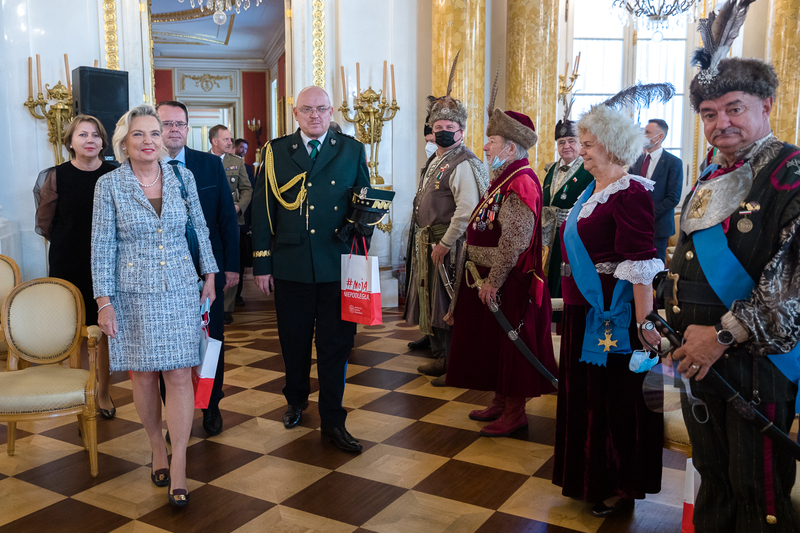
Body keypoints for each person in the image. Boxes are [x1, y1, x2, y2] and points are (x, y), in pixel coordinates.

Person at [665, 4, 800, 529]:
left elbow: (791, 287)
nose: (721, 123)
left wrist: (718, 337)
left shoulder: (790, 173)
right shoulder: (708, 178)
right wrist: (670, 325)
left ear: (766, 105)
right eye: (708, 114)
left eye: (734, 109)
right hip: (700, 358)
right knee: (713, 476)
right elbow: (686, 260)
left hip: (758, 364)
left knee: (758, 491)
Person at [91, 104, 218, 506]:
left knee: (181, 375)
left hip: (181, 286)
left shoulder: (183, 176)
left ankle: (178, 461)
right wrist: (104, 302)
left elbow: (199, 226)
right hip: (133, 293)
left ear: (164, 139)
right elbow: (101, 246)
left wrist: (210, 274)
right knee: (144, 376)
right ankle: (156, 448)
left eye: (154, 134)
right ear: (124, 143)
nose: (148, 142)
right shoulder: (109, 185)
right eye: (138, 135)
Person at [551, 94, 667, 517]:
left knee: (615, 399)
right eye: (580, 142)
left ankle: (619, 482)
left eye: (587, 143)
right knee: (588, 398)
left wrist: (644, 323)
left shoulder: (631, 191)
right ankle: (588, 478)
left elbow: (640, 262)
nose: (580, 150)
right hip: (585, 311)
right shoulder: (592, 188)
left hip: (614, 316)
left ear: (614, 146)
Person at [251, 86, 370, 453]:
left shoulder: (351, 149)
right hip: (292, 264)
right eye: (307, 109)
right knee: (294, 340)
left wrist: (363, 223)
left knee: (337, 345)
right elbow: (262, 208)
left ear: (332, 111)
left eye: (321, 109)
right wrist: (262, 263)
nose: (314, 115)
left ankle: (333, 418)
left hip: (337, 263)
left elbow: (364, 199)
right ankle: (296, 399)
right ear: (295, 113)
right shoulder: (274, 151)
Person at [445, 91, 557, 437]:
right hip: (488, 278)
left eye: (492, 141)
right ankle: (499, 400)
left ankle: (514, 411)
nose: (486, 147)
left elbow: (514, 241)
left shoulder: (521, 182)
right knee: (494, 345)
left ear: (511, 147)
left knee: (512, 347)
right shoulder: (503, 179)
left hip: (510, 281)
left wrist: (493, 280)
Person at [156, 101, 240, 437]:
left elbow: (226, 219)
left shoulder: (209, 165)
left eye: (180, 124)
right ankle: (173, 414)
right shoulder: (144, 167)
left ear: (188, 129)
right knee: (168, 345)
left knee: (211, 338)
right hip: (163, 275)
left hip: (209, 271)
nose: (174, 129)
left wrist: (231, 267)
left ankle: (211, 405)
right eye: (167, 123)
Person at [405, 56, 489, 385]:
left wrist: (444, 242)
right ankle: (440, 358)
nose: (441, 133)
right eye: (437, 128)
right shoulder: (441, 159)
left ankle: (456, 364)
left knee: (450, 304)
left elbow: (466, 208)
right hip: (430, 241)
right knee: (432, 301)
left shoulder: (463, 162)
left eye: (448, 129)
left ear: (461, 131)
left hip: (449, 246)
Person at [34, 115, 117, 419]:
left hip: (107, 263)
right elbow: (45, 223)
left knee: (105, 331)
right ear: (70, 142)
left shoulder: (115, 174)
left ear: (103, 142)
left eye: (95, 135)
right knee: (78, 332)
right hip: (69, 261)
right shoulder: (56, 176)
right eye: (82, 135)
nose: (90, 140)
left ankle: (104, 393)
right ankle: (82, 394)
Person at [541, 112, 594, 320]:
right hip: (549, 239)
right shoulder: (552, 169)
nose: (566, 146)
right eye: (561, 142)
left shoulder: (588, 170)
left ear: (580, 143)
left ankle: (566, 325)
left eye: (571, 141)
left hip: (573, 237)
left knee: (566, 285)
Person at [209, 125, 252, 324]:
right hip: (209, 220)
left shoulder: (236, 162)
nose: (230, 143)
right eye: (225, 139)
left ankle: (227, 307)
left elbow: (246, 189)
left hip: (232, 219)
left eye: (230, 139)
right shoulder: (203, 161)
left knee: (232, 261)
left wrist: (238, 207)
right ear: (214, 141)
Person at [405, 110, 438, 353]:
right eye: (427, 142)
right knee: (423, 286)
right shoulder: (431, 163)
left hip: (440, 237)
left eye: (432, 141)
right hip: (423, 234)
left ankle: (442, 344)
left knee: (438, 293)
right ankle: (428, 333)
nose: (429, 146)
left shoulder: (457, 163)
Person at [629, 119, 683, 262]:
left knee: (655, 267)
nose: (643, 136)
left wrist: (647, 215)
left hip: (658, 227)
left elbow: (673, 198)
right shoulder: (636, 160)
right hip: (634, 225)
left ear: (660, 137)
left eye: (647, 133)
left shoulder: (674, 163)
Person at [233, 138, 257, 308]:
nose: (243, 150)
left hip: (240, 221)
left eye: (246, 148)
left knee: (239, 262)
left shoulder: (248, 168)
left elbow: (250, 195)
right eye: (241, 147)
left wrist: (248, 224)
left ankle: (237, 295)